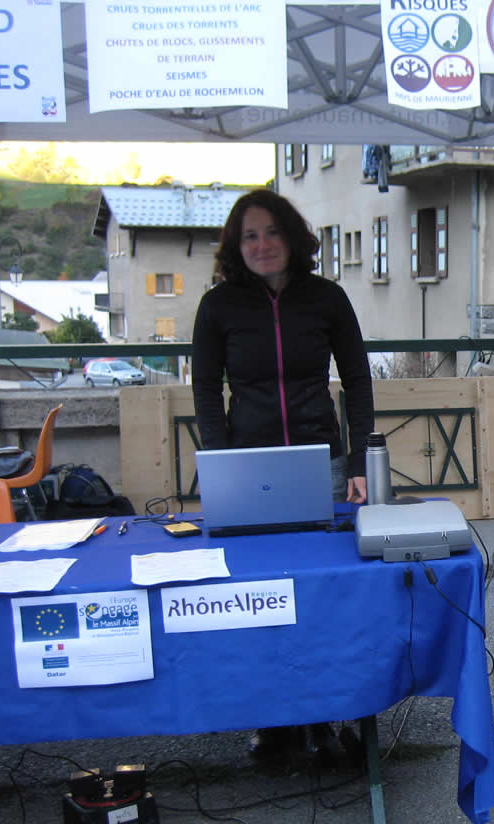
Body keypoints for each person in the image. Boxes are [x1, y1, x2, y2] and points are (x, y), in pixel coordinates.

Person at [191, 188, 375, 763]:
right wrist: (220, 467)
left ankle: (324, 717)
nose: (262, 244)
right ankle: (275, 723)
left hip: (320, 465)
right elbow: (204, 393)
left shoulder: (327, 299)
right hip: (250, 471)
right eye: (249, 235)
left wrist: (360, 463)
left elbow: (359, 381)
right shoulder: (218, 307)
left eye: (271, 232)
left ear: (292, 238)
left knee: (319, 592)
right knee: (259, 597)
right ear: (234, 246)